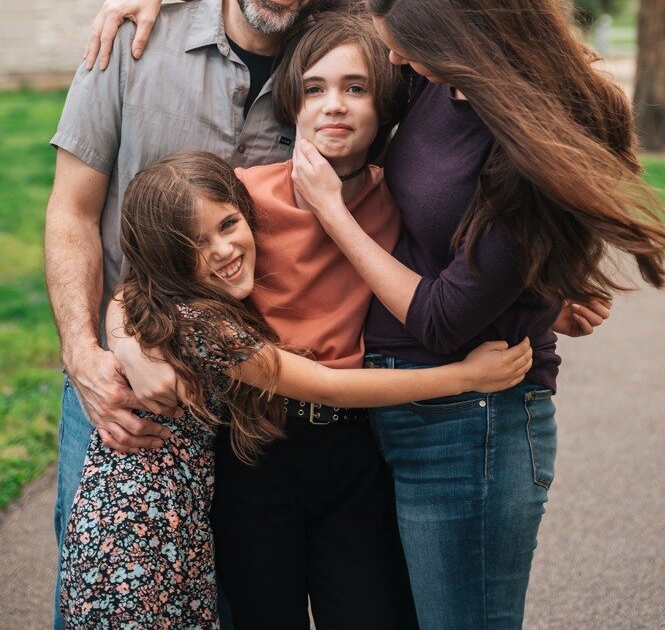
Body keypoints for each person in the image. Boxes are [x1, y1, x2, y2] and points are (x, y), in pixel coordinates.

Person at [288, 0, 665, 629]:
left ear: (468, 39)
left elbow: (443, 318)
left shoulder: (527, 142)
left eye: (409, 47)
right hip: (393, 406)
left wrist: (331, 212)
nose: (396, 59)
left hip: (472, 430)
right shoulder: (441, 74)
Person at [45, 0, 358, 630]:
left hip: (259, 411)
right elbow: (71, 211)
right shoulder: (130, 41)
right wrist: (84, 354)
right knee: (109, 602)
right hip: (127, 387)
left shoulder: (333, 75)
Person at [60, 150, 532, 629]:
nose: (221, 250)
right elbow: (327, 386)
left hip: (164, 522)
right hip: (140, 534)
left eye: (227, 225)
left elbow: (128, 295)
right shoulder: (199, 324)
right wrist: (464, 378)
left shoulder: (168, 307)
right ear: (165, 257)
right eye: (195, 244)